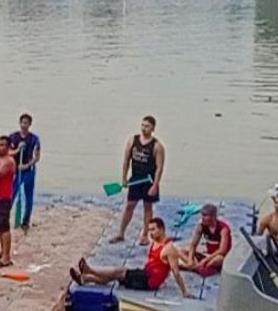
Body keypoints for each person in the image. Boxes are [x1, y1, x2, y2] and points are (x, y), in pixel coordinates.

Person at [70, 218, 190, 298]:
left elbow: (176, 271)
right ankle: (85, 279)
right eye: (149, 230)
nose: (151, 233)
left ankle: (90, 270)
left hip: (148, 281)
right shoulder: (155, 243)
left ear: (162, 229)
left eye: (153, 230)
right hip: (145, 274)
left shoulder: (169, 248)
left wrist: (184, 292)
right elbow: (158, 265)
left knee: (119, 271)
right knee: (114, 277)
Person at [111, 116, 166, 244]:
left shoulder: (157, 146)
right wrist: (124, 178)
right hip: (135, 180)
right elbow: (126, 161)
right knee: (129, 206)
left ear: (153, 128)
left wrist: (155, 185)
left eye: (147, 126)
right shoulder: (132, 141)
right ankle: (121, 233)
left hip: (149, 181)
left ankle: (145, 235)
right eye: (142, 125)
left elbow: (159, 167)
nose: (144, 128)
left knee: (148, 207)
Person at [8, 113, 41, 231]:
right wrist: (17, 150)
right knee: (11, 194)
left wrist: (26, 165)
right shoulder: (13, 137)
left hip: (29, 171)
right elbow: (8, 152)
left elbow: (36, 157)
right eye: (22, 123)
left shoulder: (34, 139)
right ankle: (5, 218)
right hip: (16, 171)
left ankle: (25, 221)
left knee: (29, 197)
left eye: (26, 123)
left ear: (30, 124)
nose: (24, 125)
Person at [183, 204, 233, 275]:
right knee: (182, 251)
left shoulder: (223, 229)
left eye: (205, 215)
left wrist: (205, 260)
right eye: (202, 215)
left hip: (218, 257)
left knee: (218, 259)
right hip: (207, 255)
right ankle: (196, 266)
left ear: (213, 216)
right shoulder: (201, 227)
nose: (202, 218)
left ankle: (196, 267)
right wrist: (190, 259)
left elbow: (222, 251)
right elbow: (193, 246)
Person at [0, 136, 17, 269]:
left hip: (4, 196)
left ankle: (6, 257)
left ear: (8, 147)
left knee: (4, 226)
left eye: (2, 145)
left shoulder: (8, 162)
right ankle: (3, 251)